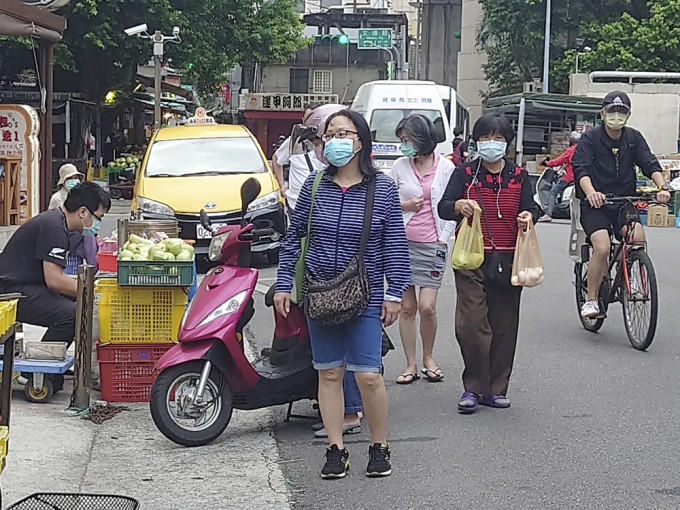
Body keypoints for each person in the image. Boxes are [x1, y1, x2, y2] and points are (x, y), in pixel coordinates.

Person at [274, 109, 410, 479]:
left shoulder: (381, 189)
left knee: (368, 376)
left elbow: (395, 246)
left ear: (360, 142)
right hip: (320, 293)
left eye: (343, 134)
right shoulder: (315, 186)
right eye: (329, 135)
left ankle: (379, 446)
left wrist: (394, 293)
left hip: (364, 294)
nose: (334, 141)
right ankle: (336, 449)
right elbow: (293, 239)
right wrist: (284, 283)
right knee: (329, 375)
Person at [438, 114, 538, 414]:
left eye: (497, 138)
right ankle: (473, 387)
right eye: (485, 138)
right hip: (471, 258)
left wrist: (528, 217)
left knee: (504, 327)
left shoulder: (520, 176)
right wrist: (458, 205)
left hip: (509, 259)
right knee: (471, 325)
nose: (491, 143)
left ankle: (495, 389)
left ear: (507, 143)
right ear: (476, 141)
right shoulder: (465, 173)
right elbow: (444, 207)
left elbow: (531, 208)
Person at [572, 91, 670, 319]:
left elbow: (650, 163)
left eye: (622, 111)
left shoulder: (633, 138)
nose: (617, 115)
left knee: (637, 238)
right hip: (595, 204)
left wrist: (662, 187)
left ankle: (633, 273)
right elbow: (581, 170)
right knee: (603, 247)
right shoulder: (590, 139)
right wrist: (592, 193)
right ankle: (592, 299)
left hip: (623, 201)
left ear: (628, 114)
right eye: (612, 111)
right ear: (603, 113)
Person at [388, 115, 456, 385]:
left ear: (423, 138)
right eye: (402, 141)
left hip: (432, 244)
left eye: (408, 140)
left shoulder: (446, 167)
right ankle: (411, 364)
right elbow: (386, 200)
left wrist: (444, 237)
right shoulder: (399, 166)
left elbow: (451, 205)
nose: (405, 146)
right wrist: (405, 207)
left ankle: (428, 357)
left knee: (427, 307)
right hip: (401, 244)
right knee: (407, 307)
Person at [0, 182, 110, 345]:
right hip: (11, 291)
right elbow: (54, 280)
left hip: (28, 285)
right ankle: (42, 365)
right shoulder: (54, 228)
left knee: (77, 300)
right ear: (82, 212)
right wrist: (95, 291)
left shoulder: (57, 221)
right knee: (72, 315)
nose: (97, 225)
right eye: (97, 218)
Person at [272, 103, 323, 211]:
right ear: (303, 119)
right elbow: (277, 159)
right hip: (296, 204)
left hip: (322, 204)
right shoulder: (294, 141)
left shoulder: (330, 141)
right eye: (309, 118)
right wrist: (282, 185)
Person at [538, 131, 580, 222]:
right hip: (579, 177)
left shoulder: (570, 150)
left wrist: (547, 163)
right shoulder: (582, 149)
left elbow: (558, 161)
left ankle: (548, 214)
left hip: (569, 177)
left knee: (553, 193)